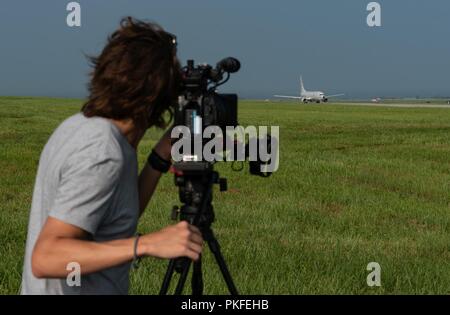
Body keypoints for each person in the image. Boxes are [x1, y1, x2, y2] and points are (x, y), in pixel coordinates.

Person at [21, 17, 203, 295]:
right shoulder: (103, 151)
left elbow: (115, 218)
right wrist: (147, 244)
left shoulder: (82, 127)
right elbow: (46, 257)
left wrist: (159, 156)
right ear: (158, 96)